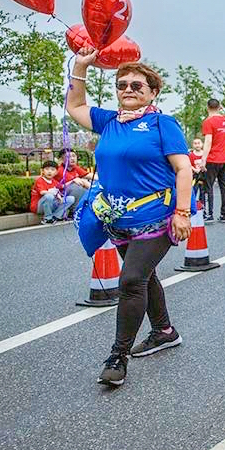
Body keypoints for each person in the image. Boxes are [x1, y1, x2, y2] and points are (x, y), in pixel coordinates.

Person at [66, 46, 193, 387]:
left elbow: (184, 169)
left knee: (131, 279)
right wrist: (81, 66)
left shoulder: (162, 124)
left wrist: (183, 213)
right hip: (118, 220)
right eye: (122, 85)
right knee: (145, 277)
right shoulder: (108, 121)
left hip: (156, 218)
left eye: (138, 85)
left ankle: (117, 357)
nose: (128, 90)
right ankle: (164, 331)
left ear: (153, 91)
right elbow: (74, 105)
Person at [199, 98, 225, 223]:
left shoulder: (208, 121)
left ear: (207, 107)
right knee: (224, 186)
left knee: (207, 187)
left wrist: (203, 159)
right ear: (220, 107)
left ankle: (209, 214)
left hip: (213, 159)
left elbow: (208, 141)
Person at [31, 160, 74, 224]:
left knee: (70, 199)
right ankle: (47, 218)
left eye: (52, 169)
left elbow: (62, 186)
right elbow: (42, 192)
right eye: (47, 169)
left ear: (56, 172)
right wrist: (55, 194)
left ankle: (56, 216)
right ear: (42, 171)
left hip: (50, 205)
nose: (49, 171)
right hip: (38, 207)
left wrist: (73, 180)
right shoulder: (40, 180)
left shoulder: (54, 181)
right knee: (49, 196)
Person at [55, 148, 91, 214]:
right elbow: (80, 181)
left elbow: (89, 175)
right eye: (68, 157)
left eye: (74, 156)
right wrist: (91, 187)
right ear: (62, 160)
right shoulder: (60, 170)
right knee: (77, 186)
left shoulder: (74, 167)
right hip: (60, 196)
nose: (72, 158)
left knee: (86, 185)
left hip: (70, 193)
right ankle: (74, 211)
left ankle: (84, 208)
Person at [188, 138, 207, 209]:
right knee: (193, 190)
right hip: (195, 176)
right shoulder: (191, 155)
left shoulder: (205, 154)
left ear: (202, 144)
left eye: (199, 143)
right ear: (193, 145)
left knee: (203, 192)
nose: (197, 145)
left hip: (203, 176)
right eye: (195, 143)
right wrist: (195, 169)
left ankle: (202, 206)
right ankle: (192, 206)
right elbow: (189, 164)